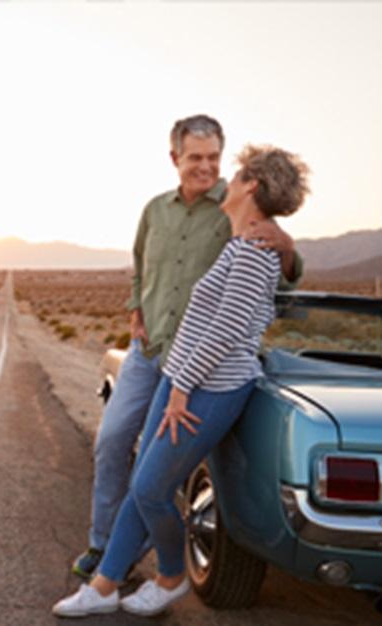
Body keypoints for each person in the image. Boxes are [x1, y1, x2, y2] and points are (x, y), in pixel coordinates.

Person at [53, 144, 310, 617]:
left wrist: (182, 388)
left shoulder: (256, 250)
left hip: (209, 390)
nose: (224, 181)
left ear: (251, 186)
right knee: (141, 484)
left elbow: (227, 331)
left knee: (152, 488)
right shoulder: (238, 241)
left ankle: (171, 575)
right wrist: (174, 377)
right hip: (179, 376)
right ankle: (105, 585)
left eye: (233, 175)